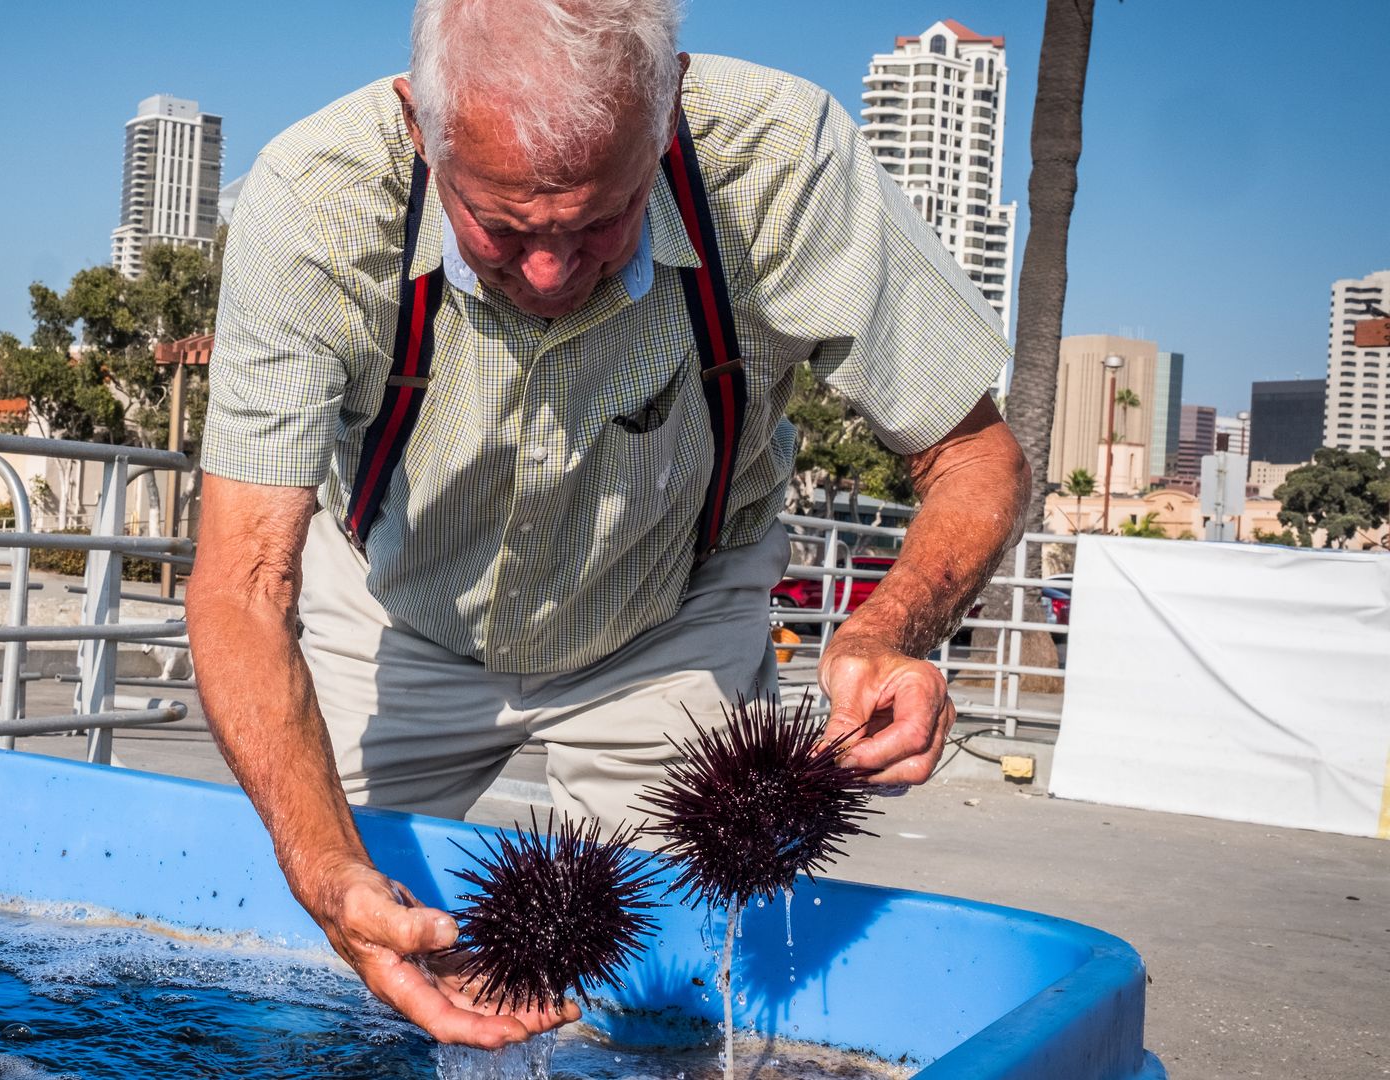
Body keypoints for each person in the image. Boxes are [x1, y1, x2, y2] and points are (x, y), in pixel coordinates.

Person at [184, 0, 1029, 1050]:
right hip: (390, 606)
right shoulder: (311, 199)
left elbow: (974, 455)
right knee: (321, 946)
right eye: (501, 226)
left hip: (668, 626)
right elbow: (241, 583)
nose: (550, 273)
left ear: (667, 112)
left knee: (678, 987)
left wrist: (887, 631)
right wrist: (323, 863)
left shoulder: (783, 160)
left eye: (597, 221)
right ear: (418, 126)